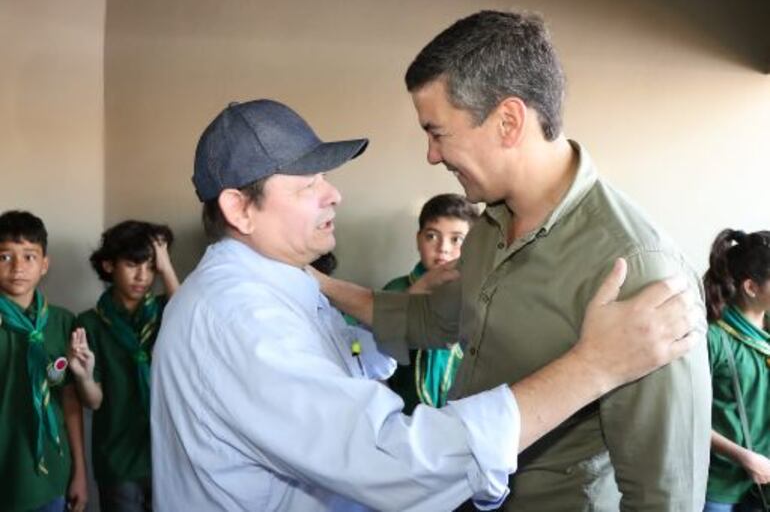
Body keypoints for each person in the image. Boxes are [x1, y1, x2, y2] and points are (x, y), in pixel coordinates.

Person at [151, 98, 699, 512]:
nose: (333, 194)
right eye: (307, 184)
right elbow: (397, 459)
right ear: (239, 209)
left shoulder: (275, 287)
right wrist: (592, 367)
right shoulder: (238, 318)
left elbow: (331, 369)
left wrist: (391, 318)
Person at [319, 10, 711, 511]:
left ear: (508, 121)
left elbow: (666, 497)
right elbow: (429, 319)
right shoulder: (487, 230)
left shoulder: (636, 268)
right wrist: (317, 283)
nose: (432, 156)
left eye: (438, 133)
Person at [68, 220, 179, 512]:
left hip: (169, 454)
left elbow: (190, 319)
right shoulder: (89, 323)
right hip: (118, 459)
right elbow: (94, 401)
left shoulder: (167, 311)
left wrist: (167, 267)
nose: (143, 275)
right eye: (132, 264)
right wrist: (84, 377)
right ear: (108, 266)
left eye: (151, 266)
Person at [0, 210, 88, 512]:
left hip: (51, 473)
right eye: (5, 257)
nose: (17, 268)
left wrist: (80, 472)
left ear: (44, 265)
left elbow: (70, 400)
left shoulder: (63, 322)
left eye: (29, 256)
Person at [384, 193, 478, 413]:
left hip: (464, 421)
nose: (443, 248)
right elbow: (360, 349)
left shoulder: (480, 297)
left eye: (457, 239)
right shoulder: (396, 291)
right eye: (432, 236)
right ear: (419, 240)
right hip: (402, 419)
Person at [702, 229, 770, 512]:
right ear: (751, 287)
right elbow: (684, 420)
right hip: (721, 487)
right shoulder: (712, 339)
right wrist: (745, 457)